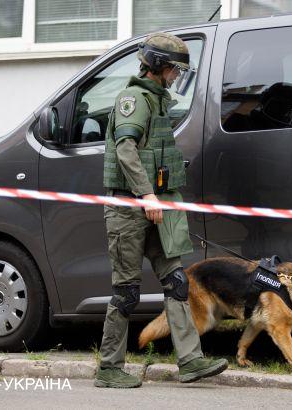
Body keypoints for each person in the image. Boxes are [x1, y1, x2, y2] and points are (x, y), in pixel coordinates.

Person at [95, 32, 228, 388]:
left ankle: (191, 361)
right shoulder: (134, 99)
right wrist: (146, 195)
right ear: (157, 66)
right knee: (126, 291)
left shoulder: (157, 100)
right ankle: (109, 368)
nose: (175, 76)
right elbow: (126, 150)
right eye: (172, 69)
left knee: (176, 281)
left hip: (155, 207)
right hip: (130, 210)